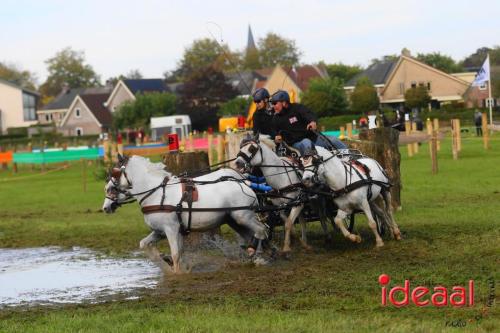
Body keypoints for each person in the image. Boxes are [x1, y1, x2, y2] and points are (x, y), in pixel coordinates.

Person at [270, 90, 346, 155]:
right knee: (306, 142)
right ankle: (314, 167)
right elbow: (274, 134)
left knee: (334, 140)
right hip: (296, 144)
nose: (273, 106)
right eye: (272, 104)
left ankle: (352, 159)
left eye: (275, 103)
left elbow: (308, 114)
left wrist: (313, 122)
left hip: (313, 138)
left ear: (284, 103)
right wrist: (276, 139)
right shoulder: (275, 119)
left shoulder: (297, 108)